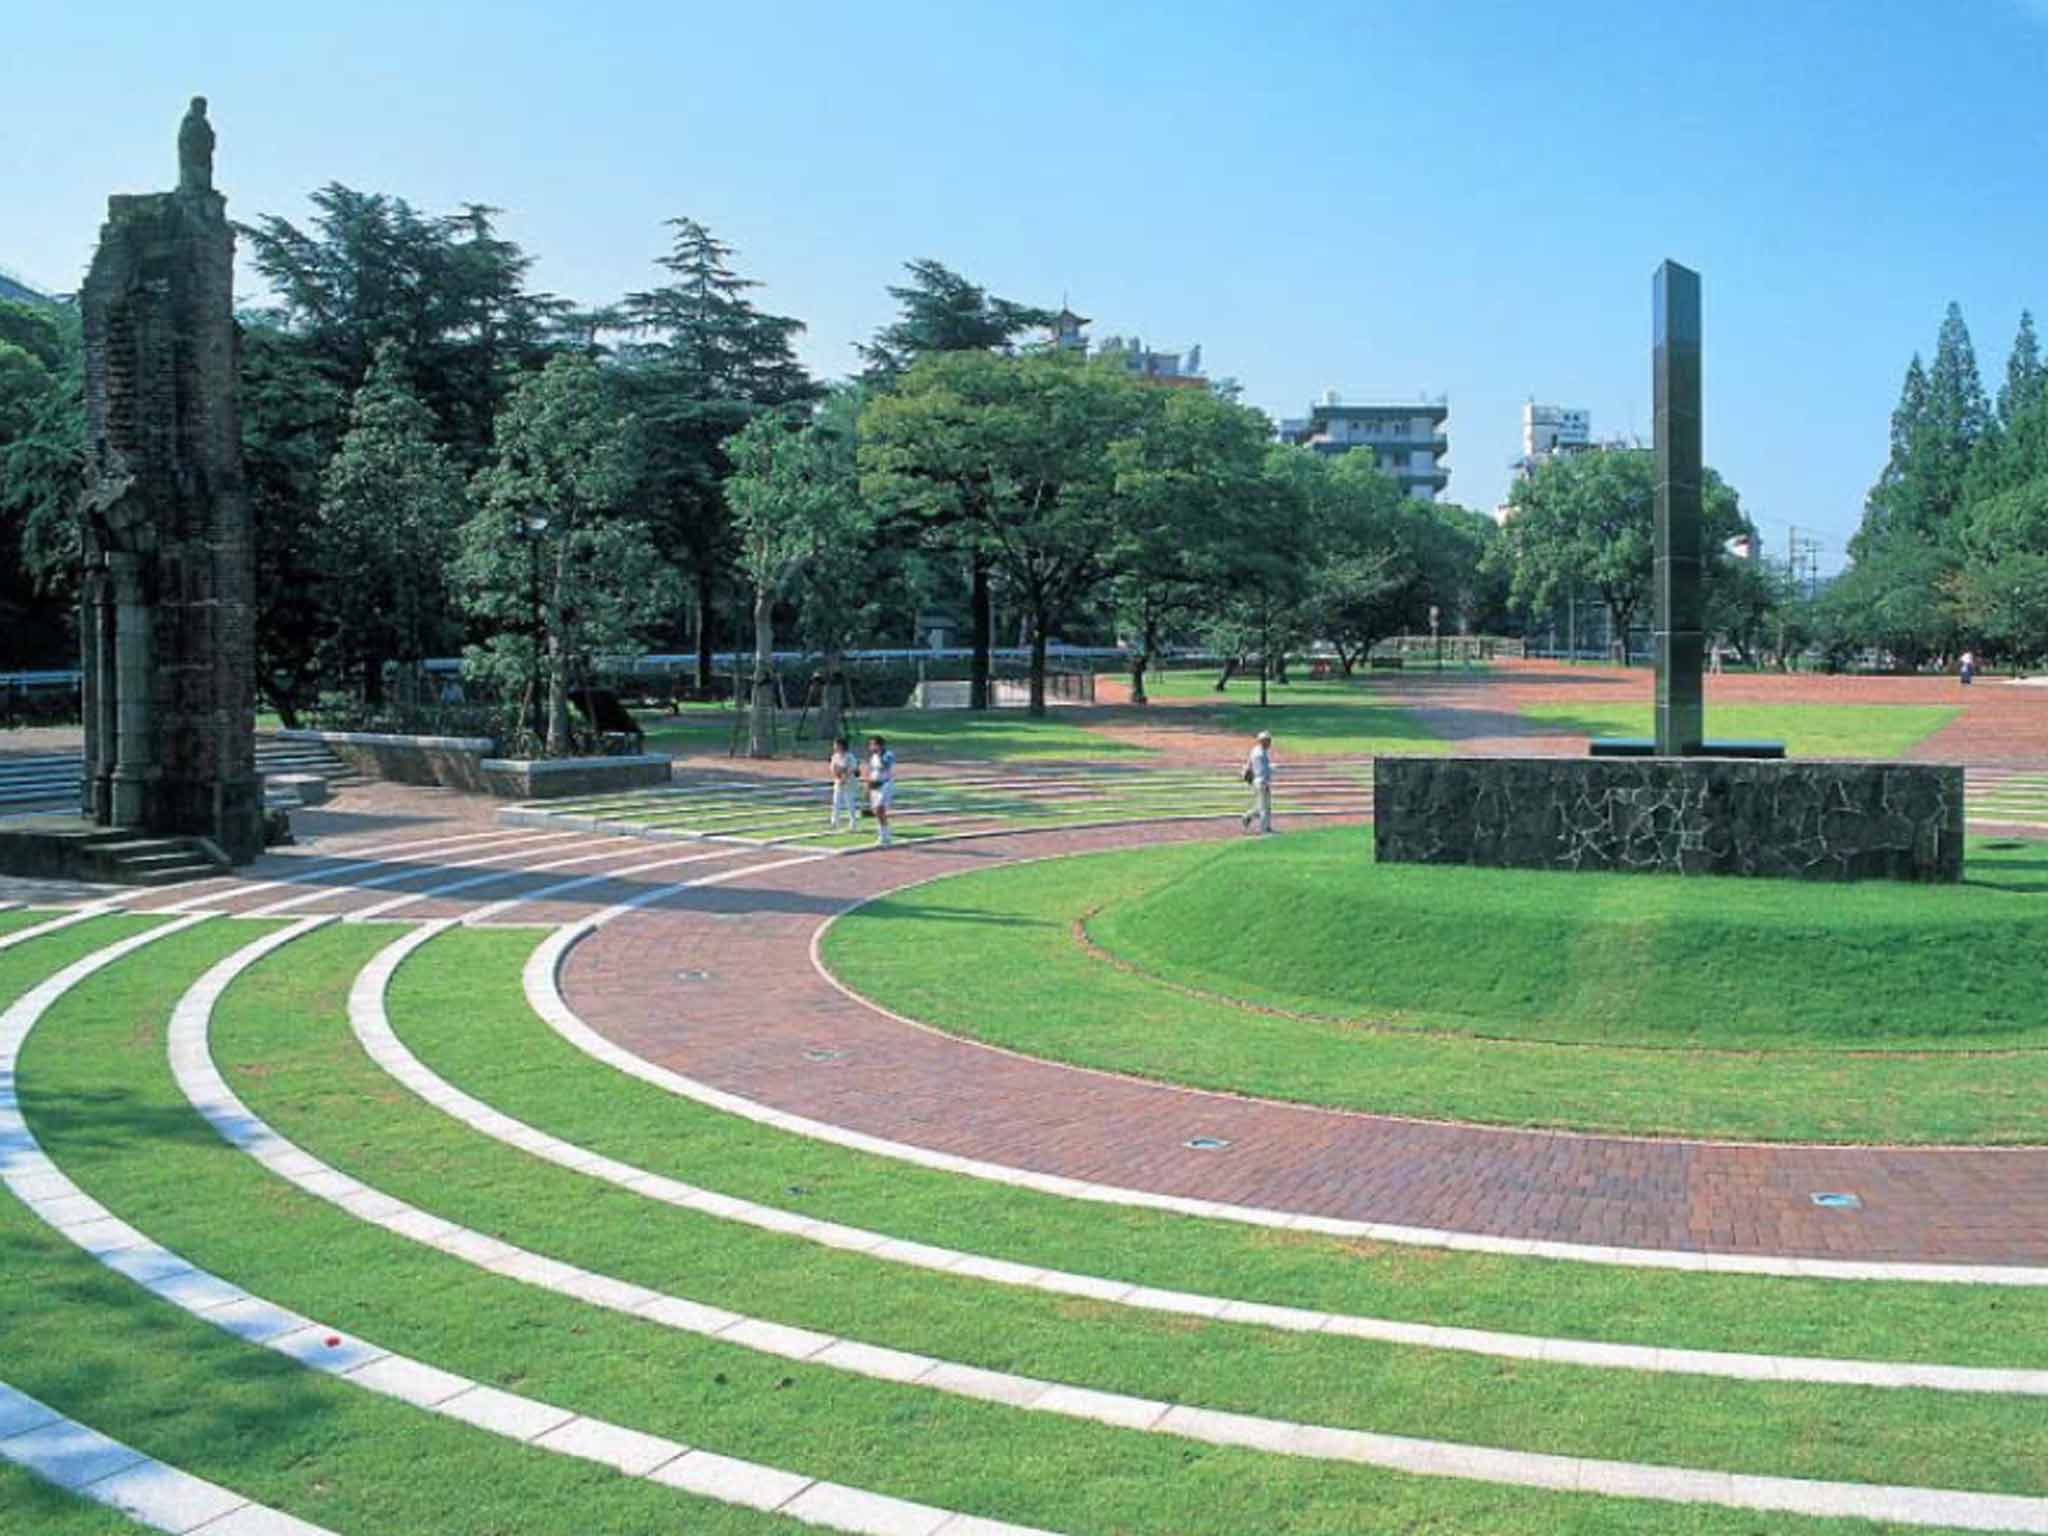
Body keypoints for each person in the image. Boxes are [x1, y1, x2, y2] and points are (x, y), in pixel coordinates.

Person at [863, 733, 896, 847]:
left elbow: (886, 766)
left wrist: (880, 753)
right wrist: (867, 784)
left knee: (880, 809)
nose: (871, 747)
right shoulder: (873, 757)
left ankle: (884, 837)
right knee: (877, 812)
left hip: (885, 784)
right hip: (874, 785)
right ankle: (884, 834)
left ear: (879, 745)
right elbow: (871, 771)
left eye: (873, 745)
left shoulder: (888, 755)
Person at [1240, 729, 1274, 835]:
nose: (1270, 743)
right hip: (1261, 781)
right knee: (1264, 807)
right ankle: (1264, 829)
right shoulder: (1260, 754)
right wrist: (1270, 772)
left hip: (1258, 781)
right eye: (1268, 740)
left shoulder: (1255, 750)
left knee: (1264, 805)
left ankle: (1248, 817)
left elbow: (1249, 765)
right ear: (1263, 741)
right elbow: (1261, 770)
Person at [827, 735, 858, 832]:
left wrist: (844, 778)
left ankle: (853, 823)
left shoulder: (850, 756)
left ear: (841, 745)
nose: (834, 746)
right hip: (838, 782)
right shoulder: (835, 757)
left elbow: (852, 769)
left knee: (850, 803)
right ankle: (834, 823)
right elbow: (832, 769)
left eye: (836, 745)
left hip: (849, 782)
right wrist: (838, 778)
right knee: (836, 802)